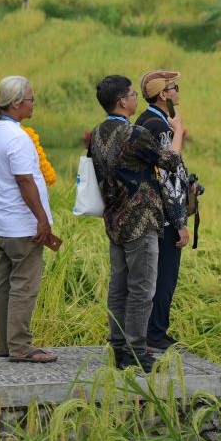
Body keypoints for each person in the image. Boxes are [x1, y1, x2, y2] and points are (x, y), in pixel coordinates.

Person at [90, 75, 184, 371]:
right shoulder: (135, 133)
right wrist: (178, 132)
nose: (135, 99)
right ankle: (136, 349)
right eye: (132, 95)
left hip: (113, 219)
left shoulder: (97, 133)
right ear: (122, 102)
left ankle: (118, 346)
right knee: (142, 288)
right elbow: (170, 162)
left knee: (119, 286)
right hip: (141, 219)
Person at [0, 76, 58, 364]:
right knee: (24, 285)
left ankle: (6, 344)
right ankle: (21, 346)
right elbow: (25, 180)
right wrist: (42, 219)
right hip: (22, 225)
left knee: (3, 285)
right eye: (31, 99)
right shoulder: (17, 137)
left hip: (1, 223)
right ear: (15, 103)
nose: (33, 104)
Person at [134, 70, 190, 353]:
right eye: (174, 87)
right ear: (163, 94)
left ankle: (143, 331)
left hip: (145, 211)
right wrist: (180, 221)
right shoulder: (163, 127)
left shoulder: (142, 121)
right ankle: (155, 333)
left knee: (147, 277)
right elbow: (170, 176)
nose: (178, 91)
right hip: (164, 216)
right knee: (165, 277)